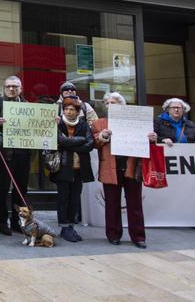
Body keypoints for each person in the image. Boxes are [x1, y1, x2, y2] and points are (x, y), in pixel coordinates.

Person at [93, 92, 156, 249]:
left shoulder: (136, 122)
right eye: (107, 103)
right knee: (112, 204)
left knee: (135, 204)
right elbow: (93, 142)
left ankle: (138, 236)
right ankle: (113, 234)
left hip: (132, 167)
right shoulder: (100, 123)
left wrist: (152, 139)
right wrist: (102, 136)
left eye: (113, 102)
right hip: (110, 168)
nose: (110, 105)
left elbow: (148, 143)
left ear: (122, 105)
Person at [0, 75, 29, 236]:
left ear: (21, 89)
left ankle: (17, 222)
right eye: (8, 86)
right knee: (3, 188)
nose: (11, 89)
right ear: (4, 89)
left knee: (21, 189)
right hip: (5, 153)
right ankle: (1, 222)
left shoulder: (26, 105)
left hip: (23, 152)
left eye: (15, 86)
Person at [52, 96, 95, 243]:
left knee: (75, 199)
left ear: (78, 112)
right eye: (66, 109)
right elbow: (58, 141)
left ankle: (71, 226)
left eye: (72, 109)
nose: (68, 111)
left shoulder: (83, 125)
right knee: (63, 198)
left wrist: (69, 143)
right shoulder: (57, 124)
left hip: (79, 168)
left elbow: (90, 144)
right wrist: (79, 140)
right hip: (63, 167)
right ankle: (64, 228)